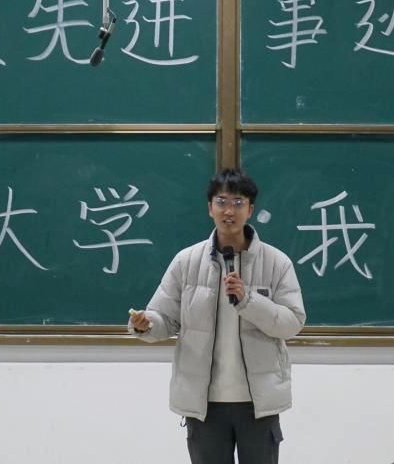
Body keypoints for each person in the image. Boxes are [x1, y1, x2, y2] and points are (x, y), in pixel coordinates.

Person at [129, 167, 306, 464]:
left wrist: (249, 300)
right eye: (221, 202)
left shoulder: (277, 262)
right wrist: (146, 325)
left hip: (258, 403)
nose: (229, 211)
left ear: (250, 209)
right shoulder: (186, 262)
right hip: (204, 403)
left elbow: (292, 323)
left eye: (238, 203)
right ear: (209, 207)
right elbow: (164, 318)